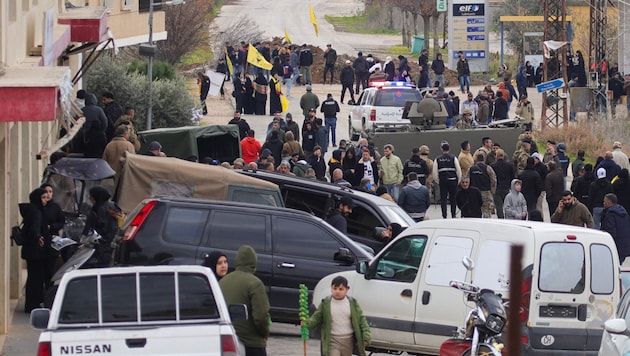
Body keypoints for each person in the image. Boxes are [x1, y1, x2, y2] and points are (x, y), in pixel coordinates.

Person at [220, 246, 271, 356]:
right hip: (251, 343)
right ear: (254, 262)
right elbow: (261, 316)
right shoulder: (255, 283)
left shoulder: (223, 282)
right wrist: (264, 333)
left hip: (228, 340)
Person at [307, 275, 371, 356]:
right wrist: (307, 323)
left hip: (348, 340)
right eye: (335, 288)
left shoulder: (352, 303)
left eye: (341, 289)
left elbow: (362, 320)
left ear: (347, 289)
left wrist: (366, 336)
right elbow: (316, 317)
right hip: (332, 339)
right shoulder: (326, 303)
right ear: (331, 288)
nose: (337, 291)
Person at [19, 188, 52, 312]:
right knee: (36, 279)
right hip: (36, 252)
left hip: (31, 251)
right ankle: (34, 305)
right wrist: (39, 237)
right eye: (43, 197)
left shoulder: (31, 209)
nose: (46, 200)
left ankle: (32, 304)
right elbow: (35, 228)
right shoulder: (36, 211)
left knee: (33, 278)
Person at [434, 141, 462, 219]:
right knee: (453, 199)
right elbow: (458, 170)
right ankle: (453, 214)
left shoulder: (437, 159)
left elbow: (435, 173)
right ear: (449, 149)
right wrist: (458, 180)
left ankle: (444, 215)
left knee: (443, 199)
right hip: (453, 181)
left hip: (443, 182)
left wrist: (438, 181)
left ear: (441, 149)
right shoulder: (453, 158)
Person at [601, 193, 630, 263]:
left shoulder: (610, 215)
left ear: (609, 202)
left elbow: (611, 232)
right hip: (624, 246)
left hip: (615, 247)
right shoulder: (624, 213)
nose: (603, 203)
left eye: (604, 201)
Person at [468, 153, 497, 218]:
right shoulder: (488, 168)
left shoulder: (471, 169)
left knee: (475, 209)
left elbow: (467, 179)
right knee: (486, 210)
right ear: (484, 159)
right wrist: (492, 191)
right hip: (486, 192)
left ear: (476, 159)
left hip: (474, 193)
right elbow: (494, 180)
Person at [490, 149, 515, 219]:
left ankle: (501, 219)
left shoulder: (492, 166)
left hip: (497, 189)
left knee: (499, 207)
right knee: (508, 206)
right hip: (506, 188)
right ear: (503, 155)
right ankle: (508, 219)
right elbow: (512, 176)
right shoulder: (509, 165)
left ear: (496, 156)